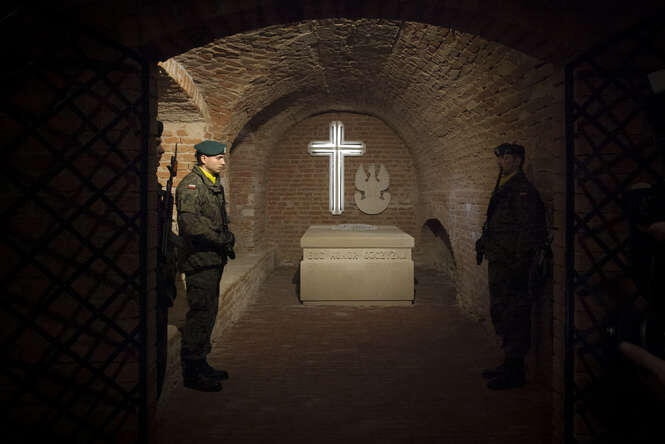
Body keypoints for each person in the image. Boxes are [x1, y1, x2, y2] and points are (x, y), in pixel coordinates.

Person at [475, 143, 547, 390]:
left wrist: (520, 266)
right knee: (502, 311)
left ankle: (516, 370)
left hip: (512, 265)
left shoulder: (522, 190)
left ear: (517, 160)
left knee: (515, 314)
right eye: (500, 158)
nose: (501, 162)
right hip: (500, 261)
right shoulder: (504, 185)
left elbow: (528, 231)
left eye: (506, 157)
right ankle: (508, 362)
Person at [176, 140, 235, 392]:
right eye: (218, 158)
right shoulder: (192, 185)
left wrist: (226, 236)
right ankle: (192, 371)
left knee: (208, 312)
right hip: (200, 260)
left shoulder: (212, 182)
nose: (223, 162)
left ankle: (201, 362)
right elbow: (191, 225)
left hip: (213, 259)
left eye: (223, 157)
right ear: (203, 159)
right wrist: (220, 238)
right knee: (200, 313)